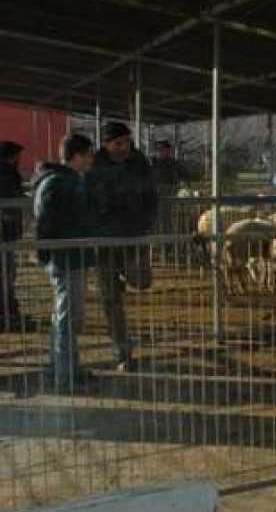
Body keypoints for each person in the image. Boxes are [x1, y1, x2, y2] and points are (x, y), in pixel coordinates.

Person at [87, 122, 158, 371]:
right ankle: (122, 350)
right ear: (106, 144)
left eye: (127, 142)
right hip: (105, 242)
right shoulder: (93, 165)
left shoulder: (139, 163)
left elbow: (152, 195)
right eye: (119, 143)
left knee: (142, 280)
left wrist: (148, 221)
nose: (124, 147)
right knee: (110, 298)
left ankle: (126, 276)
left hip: (134, 236)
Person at [33, 134, 96, 390]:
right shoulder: (58, 183)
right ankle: (65, 376)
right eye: (89, 154)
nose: (92, 159)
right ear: (77, 156)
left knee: (67, 317)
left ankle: (63, 369)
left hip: (70, 256)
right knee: (67, 319)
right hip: (66, 258)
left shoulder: (65, 180)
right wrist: (46, 253)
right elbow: (46, 223)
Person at [0, 140, 30, 330]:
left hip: (6, 231)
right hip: (5, 231)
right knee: (6, 275)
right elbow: (10, 196)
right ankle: (8, 315)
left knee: (6, 275)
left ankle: (9, 313)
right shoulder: (6, 173)